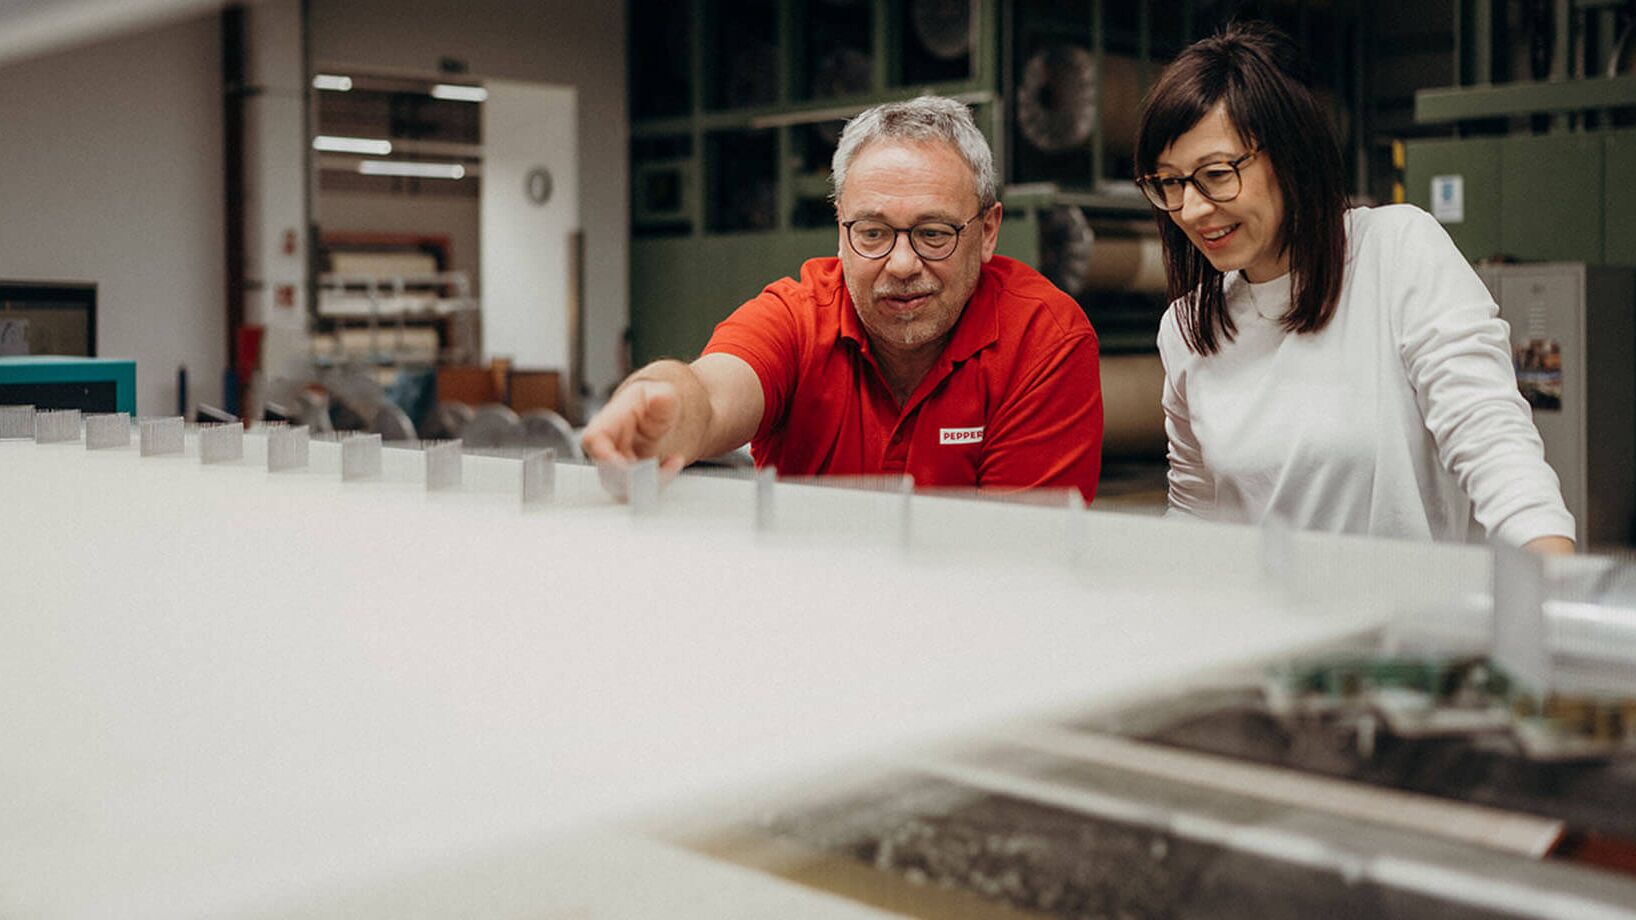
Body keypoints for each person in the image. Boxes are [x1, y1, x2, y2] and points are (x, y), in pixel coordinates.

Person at [1135, 22, 1574, 551]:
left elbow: (1490, 437)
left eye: (1217, 172)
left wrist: (1548, 577)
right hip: (1269, 626)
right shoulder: (1188, 328)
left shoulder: (1395, 251)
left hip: (1413, 625)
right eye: (1169, 183)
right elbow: (1197, 511)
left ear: (1289, 156)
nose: (1193, 208)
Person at [583, 96, 1103, 500]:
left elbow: (1018, 559)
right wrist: (660, 403)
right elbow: (710, 391)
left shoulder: (1044, 339)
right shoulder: (797, 318)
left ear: (988, 232)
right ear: (840, 231)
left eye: (934, 233)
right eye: (873, 233)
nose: (901, 265)